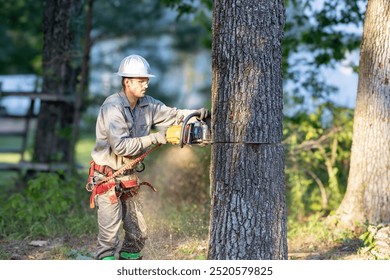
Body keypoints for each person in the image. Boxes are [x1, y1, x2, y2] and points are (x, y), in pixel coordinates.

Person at [89, 54, 209, 260]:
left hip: (129, 178)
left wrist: (197, 113)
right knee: (108, 240)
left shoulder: (148, 104)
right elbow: (120, 146)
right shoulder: (112, 107)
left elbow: (172, 114)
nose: (146, 84)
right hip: (107, 179)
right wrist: (157, 138)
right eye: (141, 81)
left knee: (137, 235)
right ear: (127, 82)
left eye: (147, 80)